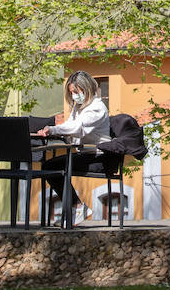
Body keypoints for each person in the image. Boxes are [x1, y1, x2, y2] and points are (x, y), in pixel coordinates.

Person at [35, 70, 110, 224]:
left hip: (99, 157)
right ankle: (75, 207)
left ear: (86, 88)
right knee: (49, 166)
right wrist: (52, 131)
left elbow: (77, 128)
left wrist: (54, 129)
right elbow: (70, 125)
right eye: (72, 92)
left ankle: (77, 206)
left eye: (77, 91)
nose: (75, 95)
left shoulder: (97, 108)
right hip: (86, 153)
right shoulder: (79, 107)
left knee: (51, 167)